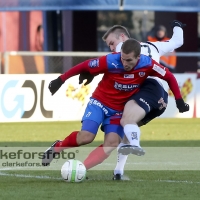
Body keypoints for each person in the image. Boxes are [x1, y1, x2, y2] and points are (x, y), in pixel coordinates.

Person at [42, 38, 189, 174]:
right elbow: (85, 65)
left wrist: (179, 100)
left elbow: (169, 76)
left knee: (111, 143)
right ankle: (57, 147)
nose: (125, 63)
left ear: (138, 57)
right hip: (99, 103)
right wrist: (61, 80)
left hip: (119, 110)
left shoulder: (148, 64)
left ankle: (81, 169)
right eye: (123, 59)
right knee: (86, 137)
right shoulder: (111, 60)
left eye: (129, 60)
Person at [78, 20, 186, 180]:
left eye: (112, 44)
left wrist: (89, 72)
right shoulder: (155, 46)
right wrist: (177, 26)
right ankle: (118, 171)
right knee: (126, 124)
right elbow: (178, 41)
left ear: (123, 38)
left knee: (126, 121)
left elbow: (105, 62)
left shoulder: (123, 51)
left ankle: (135, 145)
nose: (113, 48)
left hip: (149, 89)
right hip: (160, 98)